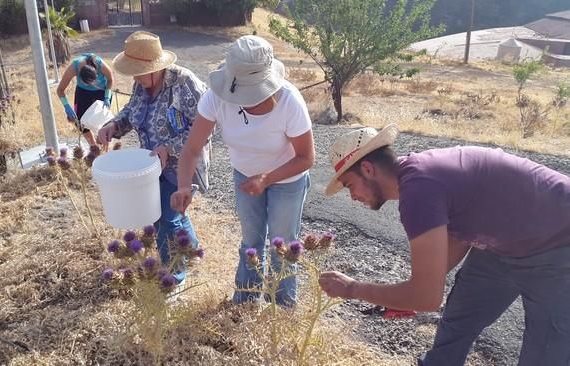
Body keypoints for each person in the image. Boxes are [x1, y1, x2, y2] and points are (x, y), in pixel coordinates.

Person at [317, 124, 570, 366]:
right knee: (459, 319)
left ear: (368, 169)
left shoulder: (419, 189)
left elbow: (426, 297)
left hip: (557, 241)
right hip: (502, 244)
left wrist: (353, 289)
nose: (352, 197)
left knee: (547, 353)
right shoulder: (421, 177)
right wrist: (406, 294)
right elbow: (458, 235)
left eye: (349, 185)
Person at [171, 35, 315, 307]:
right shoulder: (216, 97)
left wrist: (267, 178)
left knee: (281, 246)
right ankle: (244, 305)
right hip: (245, 177)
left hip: (288, 179)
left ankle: (282, 310)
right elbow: (191, 149)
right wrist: (183, 186)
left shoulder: (289, 101)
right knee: (251, 241)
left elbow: (306, 158)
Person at [96, 31, 209, 285]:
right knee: (168, 212)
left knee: (165, 217)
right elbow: (130, 112)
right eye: (132, 71)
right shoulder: (142, 84)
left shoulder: (185, 83)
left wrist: (170, 146)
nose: (134, 77)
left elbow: (207, 125)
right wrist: (112, 126)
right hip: (151, 164)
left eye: (139, 71)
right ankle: (191, 248)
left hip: (183, 163)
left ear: (156, 66)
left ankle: (174, 275)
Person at [57, 53, 114, 148]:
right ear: (79, 75)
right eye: (87, 83)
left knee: (102, 121)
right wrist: (66, 106)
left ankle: (105, 147)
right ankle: (93, 147)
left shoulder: (100, 64)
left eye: (93, 82)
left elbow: (110, 79)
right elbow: (60, 90)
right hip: (83, 93)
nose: (91, 84)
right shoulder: (74, 67)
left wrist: (107, 97)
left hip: (101, 91)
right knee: (80, 122)